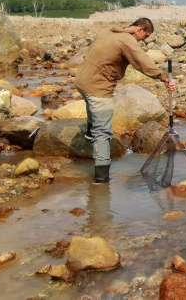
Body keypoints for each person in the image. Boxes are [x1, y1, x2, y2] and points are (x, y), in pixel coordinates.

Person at [75, 18, 175, 183]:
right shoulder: (127, 40)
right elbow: (140, 61)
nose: (143, 40)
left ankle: (89, 132)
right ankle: (101, 179)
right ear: (140, 29)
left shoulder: (109, 30)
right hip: (98, 87)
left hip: (81, 80)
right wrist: (162, 76)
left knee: (89, 103)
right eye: (145, 36)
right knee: (103, 133)